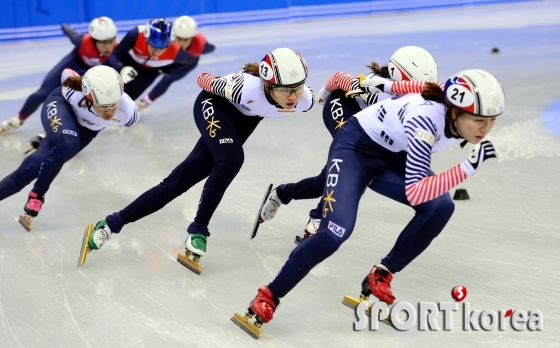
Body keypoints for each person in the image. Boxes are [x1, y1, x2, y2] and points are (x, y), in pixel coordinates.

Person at [232, 69, 505, 336]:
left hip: (393, 154)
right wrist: (468, 168)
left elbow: (414, 86)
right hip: (356, 149)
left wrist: (380, 86)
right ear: (455, 112)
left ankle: (381, 275)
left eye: (492, 121)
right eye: (479, 120)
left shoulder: (446, 94)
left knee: (442, 206)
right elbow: (418, 191)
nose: (486, 128)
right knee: (333, 233)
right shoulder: (425, 123)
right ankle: (269, 295)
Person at [81, 48, 314, 273]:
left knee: (176, 183)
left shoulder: (304, 99)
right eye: (286, 90)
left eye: (297, 88)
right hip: (213, 105)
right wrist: (217, 83)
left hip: (243, 121)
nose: (293, 96)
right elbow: (203, 79)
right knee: (232, 158)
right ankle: (199, 230)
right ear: (267, 84)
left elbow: (326, 94)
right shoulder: (243, 88)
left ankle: (111, 224)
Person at [257, 46, 440, 242]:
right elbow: (338, 78)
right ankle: (318, 216)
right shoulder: (378, 90)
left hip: (370, 123)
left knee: (323, 182)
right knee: (351, 163)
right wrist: (323, 95)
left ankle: (283, 193)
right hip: (342, 106)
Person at [0, 66, 138, 231]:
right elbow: (67, 72)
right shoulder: (74, 92)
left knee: (32, 168)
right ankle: (37, 194)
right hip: (61, 106)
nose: (108, 111)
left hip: (86, 131)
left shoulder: (129, 113)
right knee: (67, 143)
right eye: (102, 106)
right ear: (88, 97)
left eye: (113, 105)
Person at [1, 17, 118, 133]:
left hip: (90, 74)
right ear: (93, 40)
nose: (108, 46)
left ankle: (62, 130)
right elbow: (68, 30)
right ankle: (17, 120)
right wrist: (64, 24)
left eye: (110, 41)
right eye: (102, 42)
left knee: (77, 104)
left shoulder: (118, 49)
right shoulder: (82, 41)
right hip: (73, 64)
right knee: (41, 94)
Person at [104, 17, 214, 112]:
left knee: (124, 99)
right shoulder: (137, 33)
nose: (156, 51)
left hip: (150, 71)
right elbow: (115, 55)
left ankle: (145, 102)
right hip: (130, 61)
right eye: (179, 39)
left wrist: (166, 69)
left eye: (162, 48)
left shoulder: (193, 48)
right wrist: (121, 67)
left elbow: (192, 62)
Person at [135, 16, 216, 111]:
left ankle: (143, 103)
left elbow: (212, 48)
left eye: (185, 40)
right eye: (179, 38)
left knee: (167, 79)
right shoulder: (167, 37)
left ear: (193, 38)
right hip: (171, 56)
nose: (181, 43)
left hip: (187, 64)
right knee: (149, 74)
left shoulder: (202, 45)